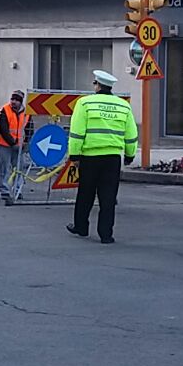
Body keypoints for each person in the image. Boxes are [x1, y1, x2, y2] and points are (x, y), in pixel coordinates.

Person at [66, 69, 139, 244]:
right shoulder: (123, 106)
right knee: (108, 197)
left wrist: (74, 155)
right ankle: (106, 235)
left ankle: (81, 227)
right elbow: (131, 134)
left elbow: (76, 133)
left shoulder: (85, 103)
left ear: (97, 85)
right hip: (113, 158)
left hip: (90, 157)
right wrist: (130, 155)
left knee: (85, 194)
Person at [0, 89, 28, 205]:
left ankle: (17, 190)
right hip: (4, 144)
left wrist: (26, 142)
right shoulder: (4, 110)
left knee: (20, 168)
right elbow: (3, 130)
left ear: (21, 102)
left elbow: (29, 128)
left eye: (16, 100)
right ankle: (5, 191)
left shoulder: (26, 113)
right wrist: (13, 143)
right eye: (12, 99)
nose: (13, 102)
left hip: (19, 145)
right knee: (4, 168)